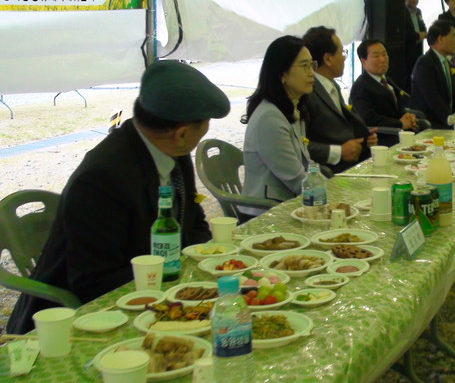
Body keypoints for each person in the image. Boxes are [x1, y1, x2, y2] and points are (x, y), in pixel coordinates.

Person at [7, 61, 229, 334]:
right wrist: (172, 284)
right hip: (88, 315)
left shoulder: (172, 152)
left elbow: (193, 223)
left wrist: (202, 267)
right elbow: (94, 281)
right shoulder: (103, 178)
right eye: (205, 125)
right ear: (182, 133)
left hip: (162, 287)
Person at [240, 36, 313, 217]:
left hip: (288, 205)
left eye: (313, 65)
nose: (312, 73)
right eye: (304, 66)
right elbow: (296, 179)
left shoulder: (291, 108)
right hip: (265, 215)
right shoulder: (269, 118)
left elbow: (306, 168)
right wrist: (333, 195)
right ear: (282, 73)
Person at [303, 26, 377, 174]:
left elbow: (340, 125)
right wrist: (339, 152)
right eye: (342, 52)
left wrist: (363, 137)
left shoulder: (332, 85)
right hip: (325, 171)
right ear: (328, 59)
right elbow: (298, 146)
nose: (344, 58)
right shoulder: (307, 92)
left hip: (352, 164)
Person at [410, 20, 455, 129]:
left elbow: (454, 96)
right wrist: (453, 123)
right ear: (441, 38)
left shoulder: (446, 63)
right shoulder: (425, 63)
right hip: (432, 125)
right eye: (453, 36)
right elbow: (434, 101)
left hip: (447, 120)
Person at [349, 39, 419, 133]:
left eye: (384, 54)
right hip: (383, 135)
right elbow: (367, 118)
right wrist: (399, 123)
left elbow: (395, 109)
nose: (382, 60)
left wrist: (407, 116)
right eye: (376, 56)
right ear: (363, 61)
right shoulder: (360, 86)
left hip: (400, 131)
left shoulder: (386, 80)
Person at [404, 0, 427, 90]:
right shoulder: (402, 12)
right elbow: (403, 31)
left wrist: (424, 33)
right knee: (408, 73)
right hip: (407, 48)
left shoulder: (418, 11)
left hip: (418, 46)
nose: (415, 0)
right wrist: (417, 35)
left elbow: (422, 25)